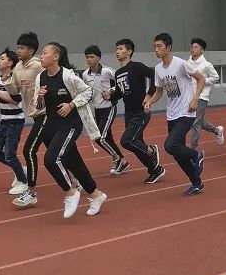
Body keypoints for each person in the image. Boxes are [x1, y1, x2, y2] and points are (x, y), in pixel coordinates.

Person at [35, 43, 107, 218]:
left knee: (51, 159)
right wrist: (39, 98)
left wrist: (71, 104)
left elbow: (87, 92)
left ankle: (70, 192)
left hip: (70, 124)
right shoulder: (40, 77)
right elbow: (38, 107)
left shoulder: (68, 75)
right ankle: (96, 195)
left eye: (44, 53)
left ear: (56, 57)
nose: (41, 56)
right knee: (73, 162)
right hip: (53, 125)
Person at [144, 33, 207, 196]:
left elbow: (201, 79)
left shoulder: (181, 64)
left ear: (169, 47)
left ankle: (197, 154)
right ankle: (197, 184)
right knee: (178, 153)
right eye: (154, 47)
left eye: (159, 46)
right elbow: (159, 91)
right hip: (171, 114)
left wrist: (195, 99)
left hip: (186, 111)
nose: (156, 50)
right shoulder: (158, 69)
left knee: (170, 146)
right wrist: (150, 101)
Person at [106, 39, 165, 184]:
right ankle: (155, 170)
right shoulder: (118, 72)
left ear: (129, 51)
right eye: (116, 49)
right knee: (137, 144)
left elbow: (154, 77)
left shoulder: (137, 67)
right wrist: (111, 95)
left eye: (120, 49)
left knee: (127, 141)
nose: (117, 52)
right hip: (129, 113)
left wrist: (149, 96)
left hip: (141, 111)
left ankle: (152, 150)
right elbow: (121, 92)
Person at [82, 45, 129, 174]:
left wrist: (111, 91)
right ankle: (122, 162)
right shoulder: (85, 74)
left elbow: (120, 83)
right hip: (97, 109)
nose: (89, 59)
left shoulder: (108, 71)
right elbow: (86, 90)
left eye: (92, 57)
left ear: (99, 58)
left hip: (109, 108)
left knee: (100, 137)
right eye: (87, 57)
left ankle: (118, 158)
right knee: (107, 138)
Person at [12, 32, 46, 208]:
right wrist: (6, 77)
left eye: (22, 47)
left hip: (46, 114)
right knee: (60, 155)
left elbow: (54, 76)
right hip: (35, 115)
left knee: (29, 151)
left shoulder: (38, 65)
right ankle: (78, 180)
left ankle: (31, 192)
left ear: (31, 50)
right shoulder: (18, 67)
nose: (18, 50)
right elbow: (14, 90)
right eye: (17, 47)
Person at [0, 48, 28, 195]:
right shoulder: (1, 78)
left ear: (11, 62)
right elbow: (6, 96)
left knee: (10, 154)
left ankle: (23, 181)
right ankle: (19, 169)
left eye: (3, 59)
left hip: (15, 121)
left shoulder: (13, 78)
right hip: (4, 120)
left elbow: (16, 99)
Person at [186, 37, 224, 149]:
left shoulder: (206, 64)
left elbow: (215, 77)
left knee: (195, 123)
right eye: (192, 47)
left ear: (202, 50)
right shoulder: (187, 63)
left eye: (196, 47)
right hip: (189, 96)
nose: (193, 49)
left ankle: (193, 148)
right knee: (198, 121)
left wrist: (202, 81)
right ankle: (217, 131)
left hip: (201, 96)